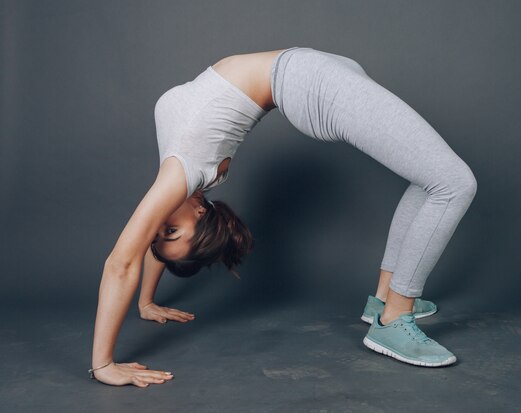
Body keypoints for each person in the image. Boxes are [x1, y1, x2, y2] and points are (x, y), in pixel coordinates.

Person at [90, 46, 477, 386]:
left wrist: (146, 302)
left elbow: (135, 249)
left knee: (429, 181)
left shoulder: (174, 178)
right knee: (453, 183)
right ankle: (394, 320)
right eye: (170, 232)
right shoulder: (182, 177)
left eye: (160, 234)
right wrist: (104, 364)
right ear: (200, 209)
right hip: (312, 85)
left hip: (310, 73)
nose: (157, 228)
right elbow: (128, 258)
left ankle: (382, 301)